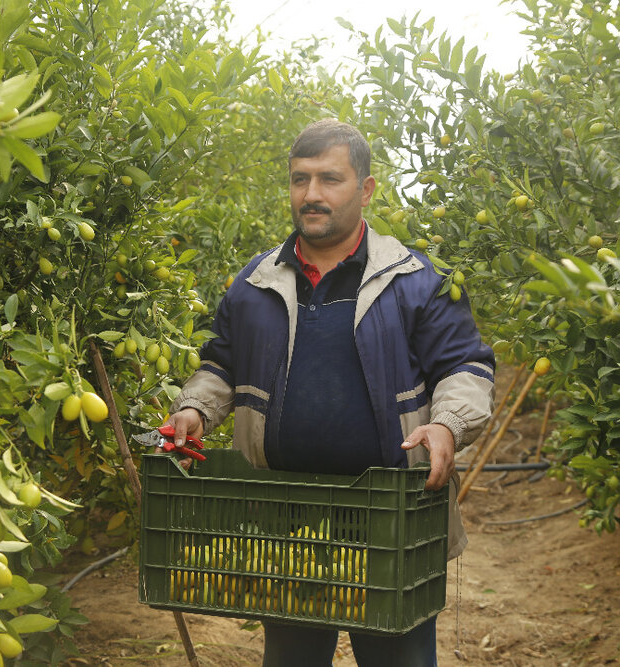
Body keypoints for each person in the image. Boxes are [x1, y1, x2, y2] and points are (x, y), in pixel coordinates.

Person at [164, 118, 495, 666]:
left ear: (365, 189)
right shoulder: (256, 282)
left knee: (399, 657)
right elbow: (221, 364)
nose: (311, 194)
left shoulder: (415, 279)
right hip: (285, 515)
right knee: (292, 655)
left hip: (390, 515)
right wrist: (196, 408)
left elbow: (466, 365)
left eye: (329, 179)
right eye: (300, 179)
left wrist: (447, 424)